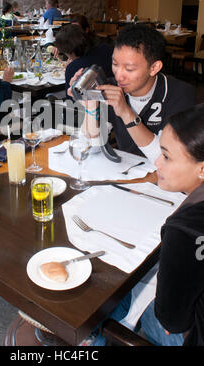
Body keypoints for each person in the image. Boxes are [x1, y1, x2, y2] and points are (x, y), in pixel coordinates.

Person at [86, 103, 204, 346]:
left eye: (167, 156)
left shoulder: (183, 229)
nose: (158, 163)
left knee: (112, 300)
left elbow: (172, 321)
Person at [69, 24, 196, 162]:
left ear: (154, 67)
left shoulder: (181, 95)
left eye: (129, 69)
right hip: (127, 173)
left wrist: (126, 113)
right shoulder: (110, 88)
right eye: (115, 64)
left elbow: (165, 160)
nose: (119, 76)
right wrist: (90, 105)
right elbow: (89, 149)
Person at [54, 23, 113, 97]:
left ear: (69, 52)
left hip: (90, 104)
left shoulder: (73, 67)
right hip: (113, 95)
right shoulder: (106, 49)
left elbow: (71, 98)